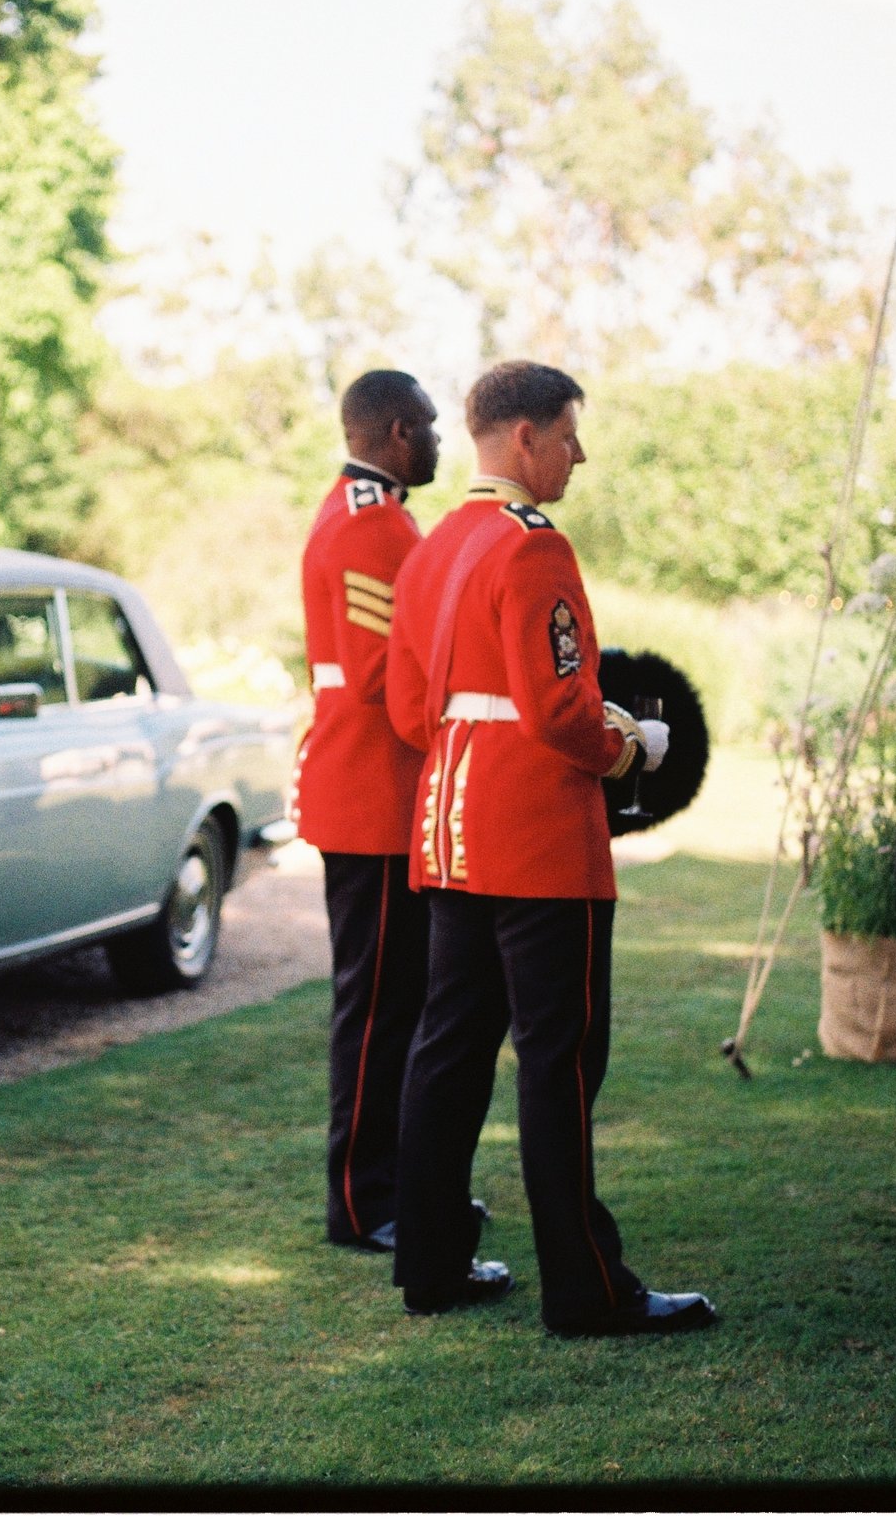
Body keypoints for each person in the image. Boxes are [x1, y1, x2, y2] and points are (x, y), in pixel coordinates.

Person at [382, 359, 715, 1337]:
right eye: (569, 434)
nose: (578, 453)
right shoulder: (532, 548)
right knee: (557, 1066)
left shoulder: (432, 547)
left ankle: (430, 1264)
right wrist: (630, 746)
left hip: (449, 836)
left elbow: (410, 713)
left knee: (445, 1054)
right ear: (523, 439)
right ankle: (584, 1289)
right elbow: (560, 711)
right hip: (535, 844)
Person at [297, 370, 445, 1254]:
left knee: (403, 1008)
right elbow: (386, 677)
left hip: (376, 795)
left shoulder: (369, 511)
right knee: (381, 1011)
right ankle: (362, 1202)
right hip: (374, 800)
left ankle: (401, 1187)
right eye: (428, 426)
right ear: (396, 432)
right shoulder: (372, 524)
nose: (437, 441)